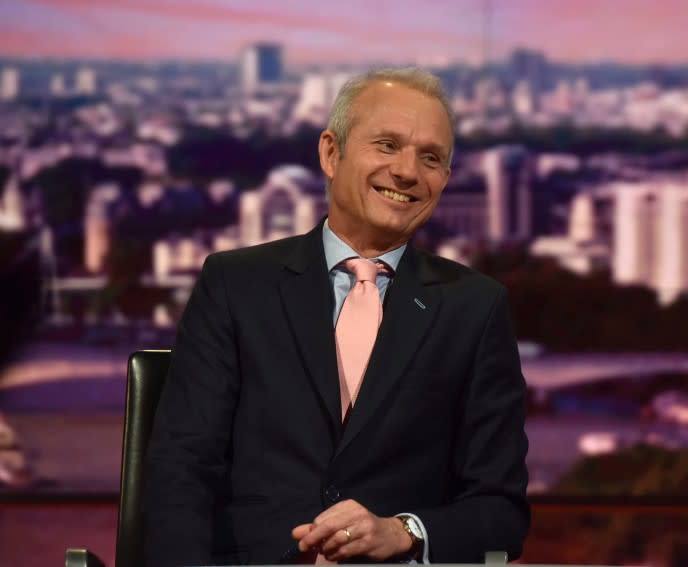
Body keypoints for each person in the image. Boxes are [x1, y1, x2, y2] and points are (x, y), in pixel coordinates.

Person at [144, 67, 529, 566]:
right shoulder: (235, 284)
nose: (408, 172)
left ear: (445, 180)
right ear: (331, 153)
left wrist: (403, 532)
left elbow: (501, 510)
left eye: (430, 158)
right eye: (387, 145)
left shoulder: (475, 307)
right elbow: (181, 468)